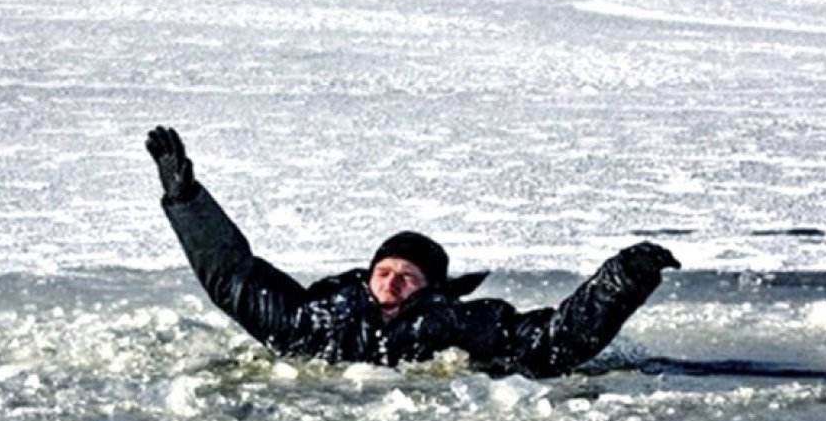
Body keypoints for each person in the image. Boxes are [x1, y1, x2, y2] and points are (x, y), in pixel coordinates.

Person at [146, 126, 680, 379]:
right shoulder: (315, 319)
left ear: (432, 289)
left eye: (408, 276)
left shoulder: (461, 325)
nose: (393, 282)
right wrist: (185, 199)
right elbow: (233, 277)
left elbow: (554, 344)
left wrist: (623, 278)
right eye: (384, 271)